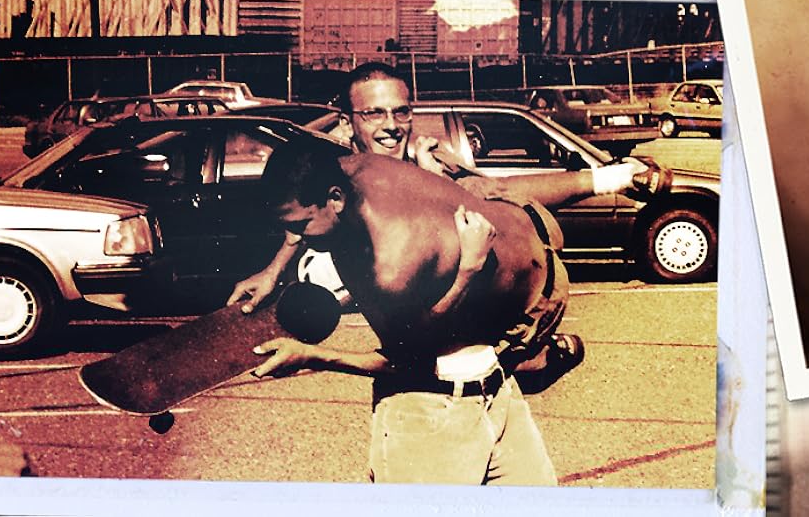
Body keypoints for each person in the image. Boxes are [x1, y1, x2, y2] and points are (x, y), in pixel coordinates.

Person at [229, 62, 650, 390]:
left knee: (482, 364)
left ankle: (535, 361)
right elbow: (304, 213)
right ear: (346, 120)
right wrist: (274, 269)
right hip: (406, 320)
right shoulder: (335, 175)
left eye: (401, 112)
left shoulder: (426, 171)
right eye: (373, 114)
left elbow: (498, 192)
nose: (390, 126)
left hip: (484, 313)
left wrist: (611, 179)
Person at [251, 142, 566, 484]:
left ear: (336, 198)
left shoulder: (388, 253)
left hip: (497, 387)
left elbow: (404, 354)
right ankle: (543, 359)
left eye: (300, 226)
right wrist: (274, 272)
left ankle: (540, 361)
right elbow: (408, 359)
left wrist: (468, 270)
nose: (295, 238)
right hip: (428, 412)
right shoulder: (355, 172)